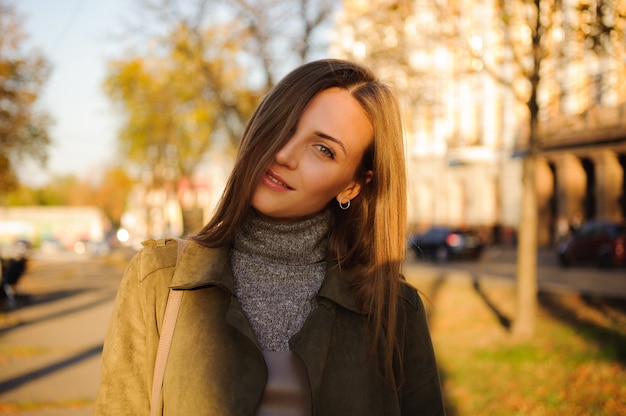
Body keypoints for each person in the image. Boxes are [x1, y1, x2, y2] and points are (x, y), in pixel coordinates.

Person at [95, 59, 445, 415]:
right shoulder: (159, 280)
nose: (282, 154)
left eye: (323, 149)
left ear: (353, 185)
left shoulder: (394, 312)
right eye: (284, 125)